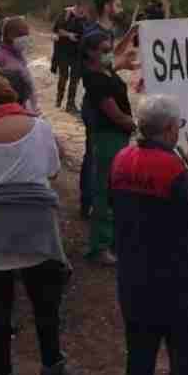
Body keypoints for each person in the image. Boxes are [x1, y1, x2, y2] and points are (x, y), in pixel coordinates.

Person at [0, 73, 82, 375]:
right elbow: (53, 170)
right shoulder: (40, 128)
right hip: (36, 228)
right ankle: (52, 370)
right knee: (45, 305)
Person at [110, 95, 188, 375]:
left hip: (133, 280)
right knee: (187, 365)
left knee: (140, 362)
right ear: (169, 129)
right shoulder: (172, 168)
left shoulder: (121, 159)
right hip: (177, 284)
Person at [79, 31, 134, 264]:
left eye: (108, 49)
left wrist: (131, 37)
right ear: (90, 52)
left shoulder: (105, 70)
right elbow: (114, 113)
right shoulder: (94, 78)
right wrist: (137, 125)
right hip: (107, 136)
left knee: (114, 188)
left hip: (117, 137)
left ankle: (109, 242)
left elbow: (120, 59)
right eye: (103, 50)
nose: (108, 54)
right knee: (104, 189)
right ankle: (99, 247)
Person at [0, 16, 39, 112]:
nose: (25, 38)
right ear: (9, 35)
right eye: (21, 34)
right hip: (7, 112)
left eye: (27, 34)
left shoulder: (19, 55)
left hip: (24, 110)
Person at [50, 1, 84, 110]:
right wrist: (69, 35)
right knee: (63, 77)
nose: (82, 11)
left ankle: (70, 104)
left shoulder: (85, 17)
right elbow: (57, 30)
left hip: (77, 52)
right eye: (81, 8)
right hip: (63, 51)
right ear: (77, 6)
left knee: (75, 79)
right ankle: (58, 100)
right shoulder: (66, 13)